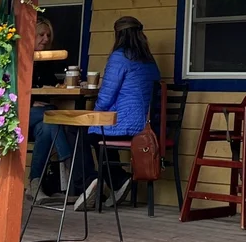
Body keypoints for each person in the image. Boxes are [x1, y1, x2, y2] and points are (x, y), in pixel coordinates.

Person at [74, 16, 160, 209]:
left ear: (118, 35)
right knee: (98, 134)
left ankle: (90, 182)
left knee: (81, 133)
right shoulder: (149, 61)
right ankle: (118, 180)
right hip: (147, 125)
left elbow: (105, 97)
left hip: (127, 124)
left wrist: (94, 116)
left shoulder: (120, 57)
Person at [27, 15, 69, 203]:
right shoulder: (18, 59)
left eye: (48, 35)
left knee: (47, 127)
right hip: (17, 117)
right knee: (51, 115)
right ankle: (68, 164)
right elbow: (4, 91)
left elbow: (51, 84)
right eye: (41, 35)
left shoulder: (44, 61)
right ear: (31, 36)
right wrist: (29, 102)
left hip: (40, 119)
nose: (45, 39)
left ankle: (34, 185)